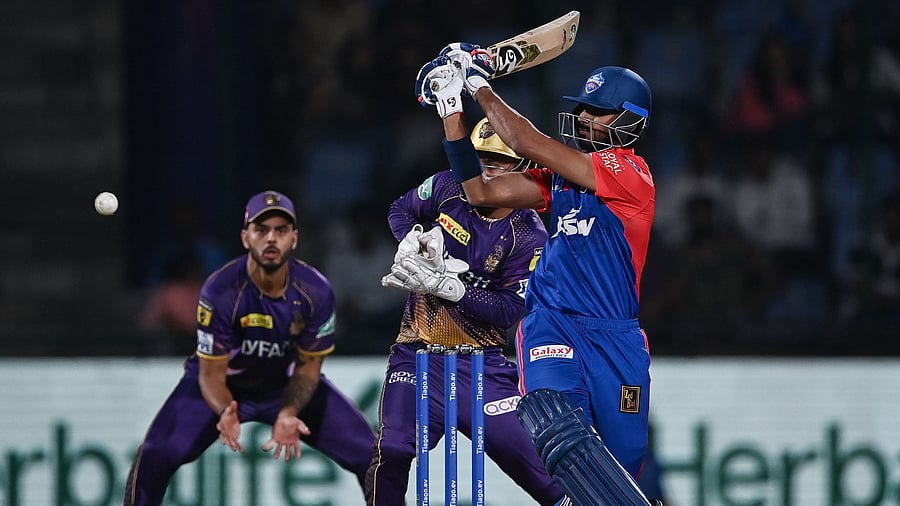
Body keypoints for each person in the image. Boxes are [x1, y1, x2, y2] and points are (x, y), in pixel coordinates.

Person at [415, 46, 660, 505]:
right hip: (553, 323)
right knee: (557, 426)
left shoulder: (631, 174)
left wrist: (478, 83)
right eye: (583, 108)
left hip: (618, 338)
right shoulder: (562, 179)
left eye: (598, 112)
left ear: (629, 120)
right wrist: (451, 111)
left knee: (618, 469)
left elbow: (524, 141)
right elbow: (480, 192)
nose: (584, 118)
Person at [125, 190, 376, 505]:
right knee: (155, 454)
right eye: (261, 230)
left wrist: (289, 412)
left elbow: (309, 368)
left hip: (285, 384)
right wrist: (224, 410)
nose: (271, 239)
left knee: (373, 458)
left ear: (294, 239)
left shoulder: (315, 291)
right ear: (246, 238)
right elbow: (211, 372)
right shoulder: (221, 290)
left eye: (281, 230)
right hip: (224, 385)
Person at [365, 117, 566, 505]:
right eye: (481, 156)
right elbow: (401, 207)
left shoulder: (530, 235)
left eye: (500, 160)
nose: (488, 167)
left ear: (524, 167)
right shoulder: (447, 186)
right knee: (392, 449)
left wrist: (450, 288)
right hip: (417, 356)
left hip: (481, 368)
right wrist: (412, 239)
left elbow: (509, 310)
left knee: (542, 473)